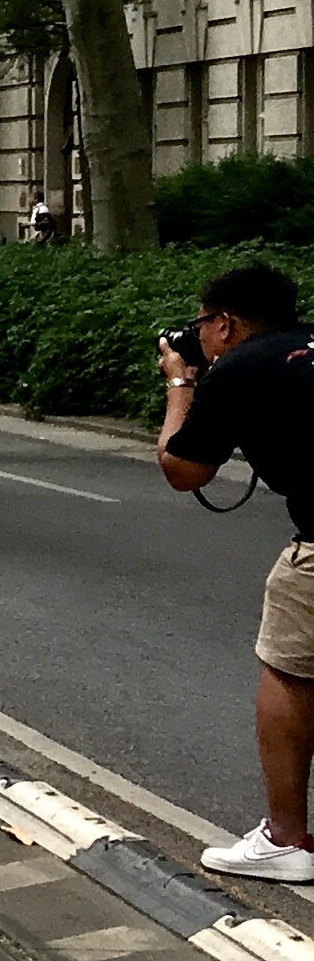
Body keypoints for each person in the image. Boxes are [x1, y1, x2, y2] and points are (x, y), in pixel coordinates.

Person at [160, 264, 314, 880]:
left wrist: (180, 385)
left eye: (202, 323)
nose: (198, 334)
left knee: (289, 669)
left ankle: (284, 840)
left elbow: (183, 469)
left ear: (225, 324)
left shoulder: (241, 367)